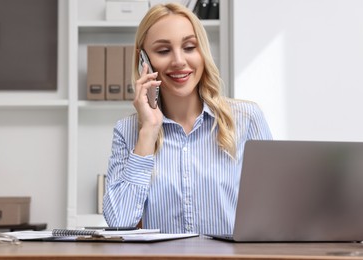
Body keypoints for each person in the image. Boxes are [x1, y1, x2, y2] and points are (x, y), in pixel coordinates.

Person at [103, 2, 272, 235]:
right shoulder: (128, 131)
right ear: (144, 60)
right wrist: (149, 131)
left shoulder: (246, 119)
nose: (179, 61)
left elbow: (274, 214)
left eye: (190, 47)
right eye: (163, 51)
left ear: (202, 51)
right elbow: (119, 222)